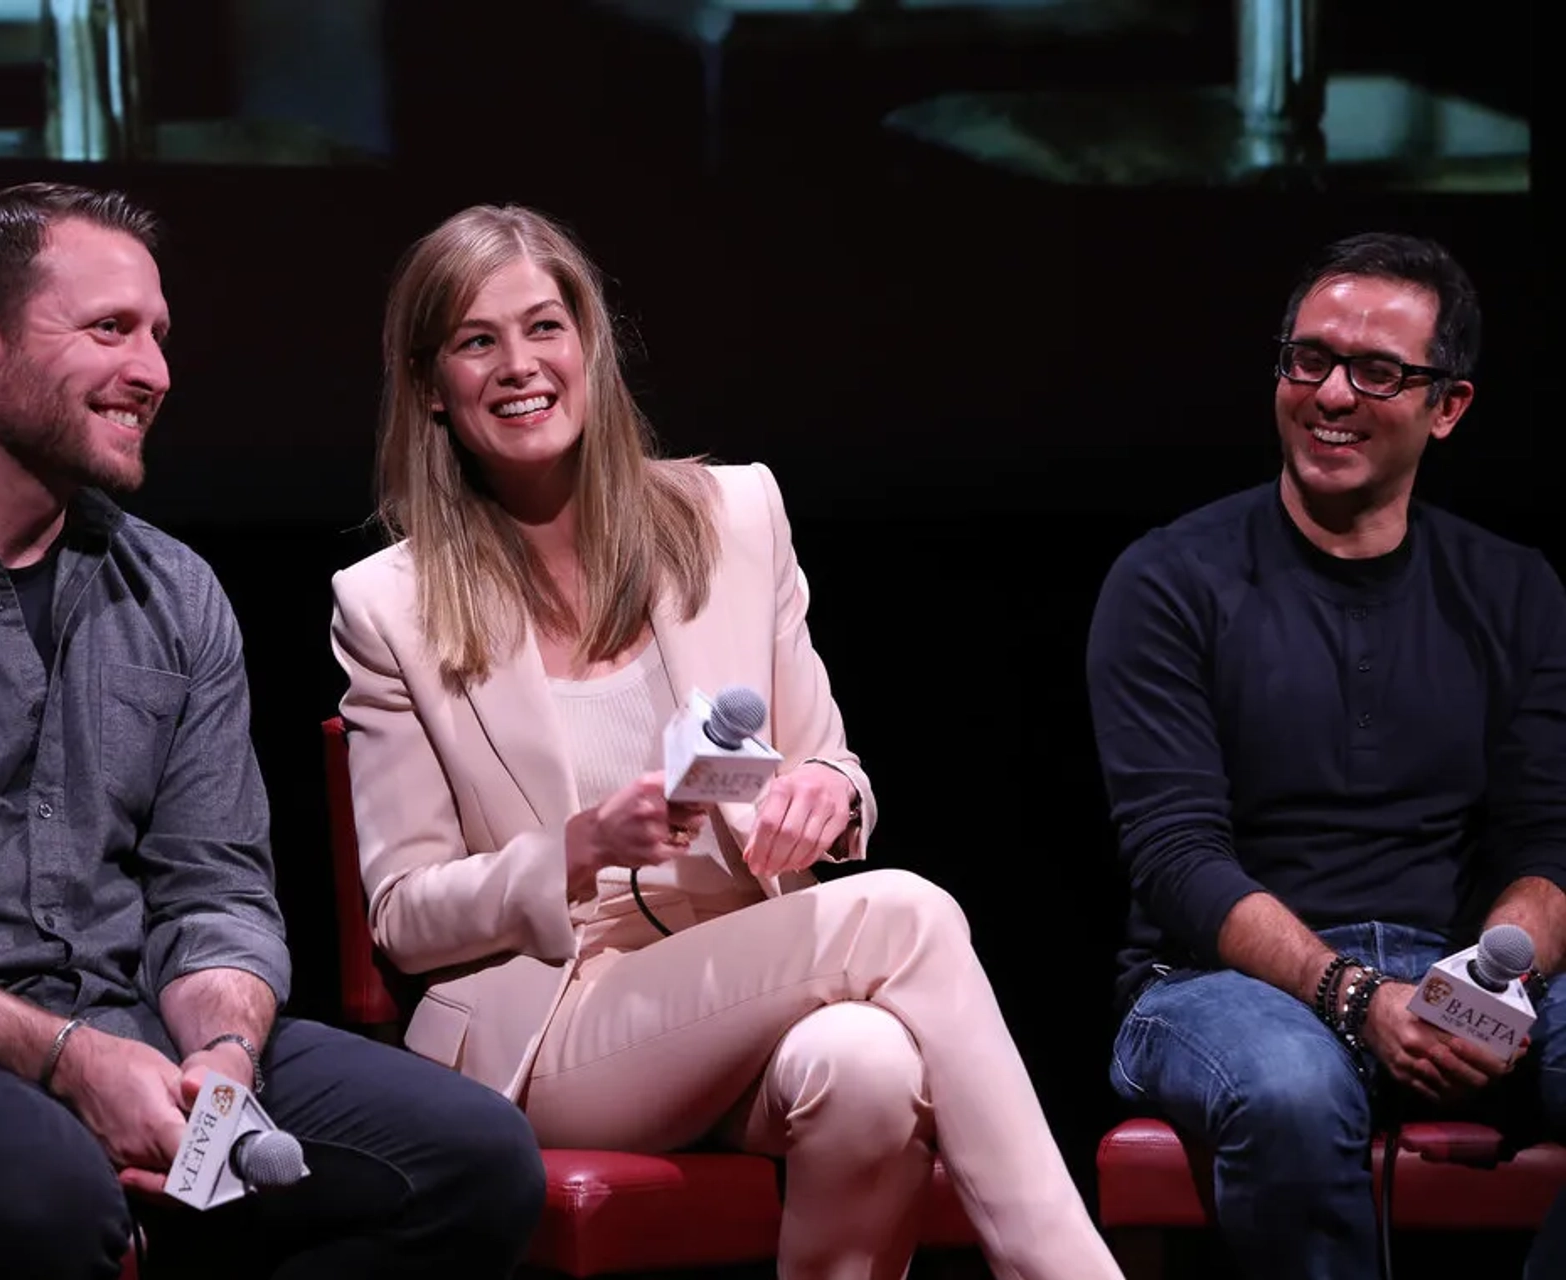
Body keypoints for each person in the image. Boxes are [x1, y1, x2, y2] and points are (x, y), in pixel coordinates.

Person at [0, 182, 544, 1280]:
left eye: (160, 335)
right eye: (110, 329)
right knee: (41, 1194)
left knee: (476, 1159)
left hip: (138, 1030)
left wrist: (221, 1049)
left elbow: (215, 885)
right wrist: (69, 1060)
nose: (157, 372)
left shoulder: (173, 594)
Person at [328, 203, 1123, 1280]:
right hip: (560, 1017)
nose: (520, 365)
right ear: (431, 381)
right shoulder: (389, 605)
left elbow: (828, 763)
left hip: (754, 972)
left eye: (544, 326)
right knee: (906, 909)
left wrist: (822, 798)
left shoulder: (734, 515)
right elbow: (404, 915)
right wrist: (577, 845)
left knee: (871, 1063)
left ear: (590, 343)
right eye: (477, 340)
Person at [1086, 231, 1566, 1279]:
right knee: (1294, 1087)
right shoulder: (1168, 580)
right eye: (1308, 359)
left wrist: (1486, 985)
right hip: (1213, 984)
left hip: (1448, 963)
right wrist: (1353, 994)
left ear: (1449, 407)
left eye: (1378, 371)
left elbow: (1546, 844)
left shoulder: (1515, 588)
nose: (1332, 394)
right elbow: (1177, 858)